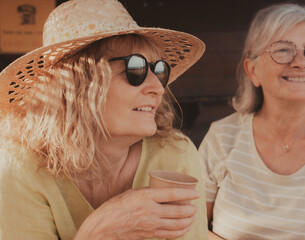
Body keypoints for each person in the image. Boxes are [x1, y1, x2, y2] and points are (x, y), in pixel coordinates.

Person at [0, 0, 208, 239]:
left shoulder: (174, 154)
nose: (158, 88)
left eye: (158, 70)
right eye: (136, 69)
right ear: (77, 87)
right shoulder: (21, 166)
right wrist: (99, 231)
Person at [199, 3, 305, 240]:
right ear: (253, 70)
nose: (301, 61)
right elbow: (190, 229)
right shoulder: (222, 136)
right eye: (283, 49)